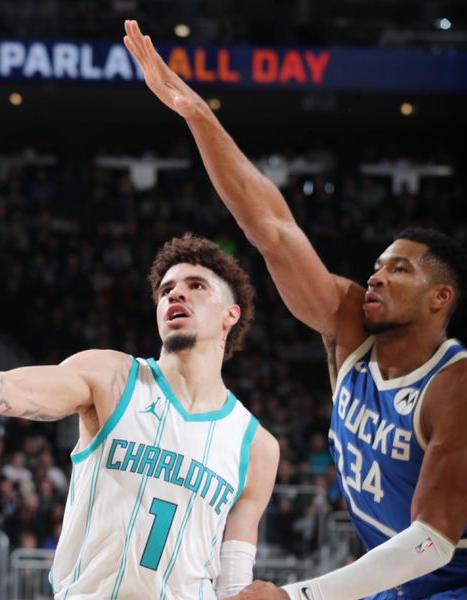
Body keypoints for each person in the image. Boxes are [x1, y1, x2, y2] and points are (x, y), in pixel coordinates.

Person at [122, 19, 467, 600]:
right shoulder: (350, 325)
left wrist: (297, 596)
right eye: (379, 264)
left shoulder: (454, 386)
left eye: (400, 269)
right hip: (396, 580)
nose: (377, 275)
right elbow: (274, 231)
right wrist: (197, 115)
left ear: (441, 298)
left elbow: (432, 539)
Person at [0, 220, 279, 598]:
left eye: (195, 286)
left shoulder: (255, 445)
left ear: (231, 314)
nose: (174, 296)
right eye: (166, 290)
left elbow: (234, 583)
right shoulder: (111, 377)